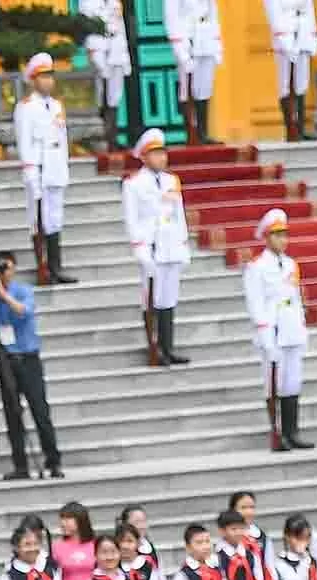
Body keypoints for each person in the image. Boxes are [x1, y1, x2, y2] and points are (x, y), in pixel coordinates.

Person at [0, 253, 62, 480]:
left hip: (28, 358)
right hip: (6, 360)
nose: (2, 273)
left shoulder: (23, 290)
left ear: (13, 269)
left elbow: (24, 310)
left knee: (40, 410)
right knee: (12, 414)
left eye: (5, 268)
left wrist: (3, 295)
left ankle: (53, 461)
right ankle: (20, 465)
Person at [122, 128, 192, 369]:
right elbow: (132, 220)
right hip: (151, 247)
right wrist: (139, 249)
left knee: (169, 299)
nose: (162, 158)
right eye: (156, 153)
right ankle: (155, 347)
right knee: (152, 299)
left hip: (171, 245)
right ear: (143, 156)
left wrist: (184, 244)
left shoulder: (172, 181)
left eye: (163, 153)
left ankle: (169, 346)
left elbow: (179, 215)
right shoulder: (133, 184)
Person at [245, 211, 314, 453]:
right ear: (266, 237)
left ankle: (292, 431)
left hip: (291, 328)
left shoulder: (291, 264)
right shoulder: (256, 267)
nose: (283, 240)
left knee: (292, 384)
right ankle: (277, 434)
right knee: (274, 384)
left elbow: (295, 299)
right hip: (273, 331)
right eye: (277, 235)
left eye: (285, 235)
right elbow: (256, 304)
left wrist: (302, 328)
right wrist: (265, 337)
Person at [15, 55, 79, 287]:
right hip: (39, 170)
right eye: (42, 77)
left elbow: (61, 140)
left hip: (55, 168)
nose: (48, 81)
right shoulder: (26, 107)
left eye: (50, 76)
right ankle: (43, 267)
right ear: (33, 80)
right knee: (38, 219)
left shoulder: (56, 105)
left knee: (55, 219)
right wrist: (30, 171)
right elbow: (25, 142)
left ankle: (56, 266)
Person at [164, 0, 221, 145]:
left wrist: (218, 46)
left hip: (206, 42)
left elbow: (214, 15)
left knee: (204, 89)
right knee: (187, 90)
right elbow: (171, 19)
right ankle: (191, 133)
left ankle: (203, 133)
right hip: (188, 42)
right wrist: (180, 50)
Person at [78, 0, 128, 147]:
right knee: (101, 92)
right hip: (99, 47)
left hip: (117, 48)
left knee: (115, 94)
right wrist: (92, 50)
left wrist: (125, 56)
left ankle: (112, 136)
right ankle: (101, 136)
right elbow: (87, 23)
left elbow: (120, 23)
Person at [267, 0, 317, 140]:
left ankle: (300, 128)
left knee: (301, 83)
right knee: (285, 84)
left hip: (303, 34)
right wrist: (284, 40)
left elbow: (309, 9)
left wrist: (312, 38)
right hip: (285, 36)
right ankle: (290, 129)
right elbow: (273, 14)